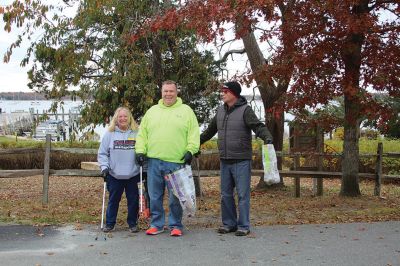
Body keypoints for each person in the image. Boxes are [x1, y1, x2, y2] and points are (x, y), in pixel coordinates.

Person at [200, 81, 273, 236]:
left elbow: (258, 126)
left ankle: (244, 226)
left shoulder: (245, 110)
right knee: (225, 194)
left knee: (242, 194)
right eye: (222, 91)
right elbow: (209, 132)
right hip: (225, 160)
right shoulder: (220, 111)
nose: (222, 94)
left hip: (241, 160)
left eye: (225, 91)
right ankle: (229, 224)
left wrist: (267, 137)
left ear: (234, 93)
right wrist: (194, 144)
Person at [135, 80, 200, 237]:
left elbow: (194, 133)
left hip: (176, 162)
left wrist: (191, 151)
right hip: (154, 161)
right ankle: (157, 224)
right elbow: (142, 134)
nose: (168, 94)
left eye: (171, 91)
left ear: (177, 92)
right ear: (161, 92)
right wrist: (139, 151)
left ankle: (176, 224)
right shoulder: (152, 111)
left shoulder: (186, 111)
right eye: (166, 91)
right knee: (154, 195)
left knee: (175, 197)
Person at [97, 107, 141, 233]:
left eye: (125, 116)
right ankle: (110, 223)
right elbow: (103, 153)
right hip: (114, 174)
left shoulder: (137, 133)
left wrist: (145, 167)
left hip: (132, 174)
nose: (123, 119)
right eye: (120, 117)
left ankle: (133, 223)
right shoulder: (109, 134)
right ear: (116, 118)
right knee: (113, 200)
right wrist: (104, 168)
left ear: (130, 118)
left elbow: (143, 150)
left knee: (133, 200)